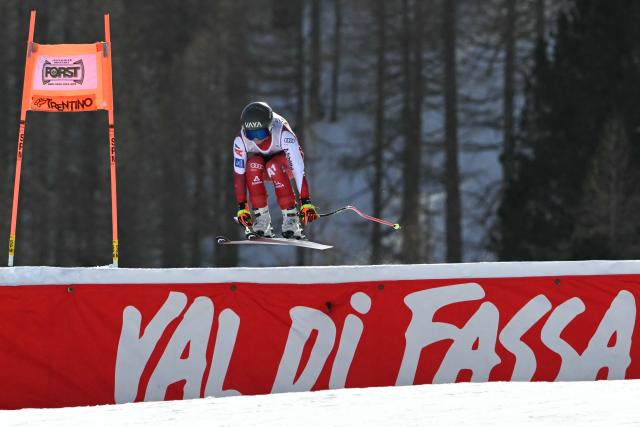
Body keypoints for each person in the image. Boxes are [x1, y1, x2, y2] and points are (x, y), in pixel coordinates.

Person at [233, 101, 318, 239]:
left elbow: (297, 169)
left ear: (270, 127)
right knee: (252, 165)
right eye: (250, 134)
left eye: (260, 133)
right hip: (263, 167)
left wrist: (306, 201)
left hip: (285, 165)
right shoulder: (240, 140)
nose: (255, 139)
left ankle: (292, 221)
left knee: (273, 166)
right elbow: (239, 174)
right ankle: (262, 221)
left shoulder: (284, 134)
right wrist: (242, 206)